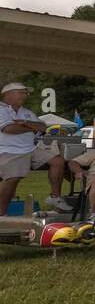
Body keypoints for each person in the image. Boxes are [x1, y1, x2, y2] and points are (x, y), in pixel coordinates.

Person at [0, 81, 73, 214]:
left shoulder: (26, 112)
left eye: (26, 93)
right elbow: (8, 129)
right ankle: (1, 212)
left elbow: (43, 127)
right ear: (8, 94)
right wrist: (31, 127)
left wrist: (25, 123)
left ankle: (54, 197)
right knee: (12, 179)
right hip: (9, 150)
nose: (25, 95)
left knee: (58, 161)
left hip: (31, 148)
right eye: (22, 92)